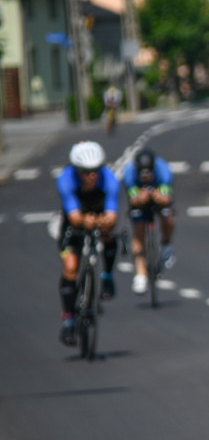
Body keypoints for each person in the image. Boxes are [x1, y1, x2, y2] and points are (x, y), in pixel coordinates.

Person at [56, 141, 121, 346]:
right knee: (71, 267)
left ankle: (107, 276)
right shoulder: (66, 180)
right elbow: (74, 217)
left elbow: (112, 215)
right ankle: (68, 319)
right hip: (74, 222)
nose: (91, 176)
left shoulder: (110, 180)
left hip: (99, 212)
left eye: (95, 171)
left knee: (110, 234)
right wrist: (85, 221)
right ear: (77, 171)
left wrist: (104, 221)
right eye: (85, 172)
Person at [122, 148, 176, 295]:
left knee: (168, 216)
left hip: (159, 196)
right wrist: (140, 199)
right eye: (143, 174)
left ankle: (166, 245)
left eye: (148, 173)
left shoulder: (163, 170)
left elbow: (167, 198)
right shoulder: (130, 174)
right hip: (140, 201)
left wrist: (159, 197)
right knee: (138, 231)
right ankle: (140, 274)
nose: (145, 176)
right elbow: (133, 199)